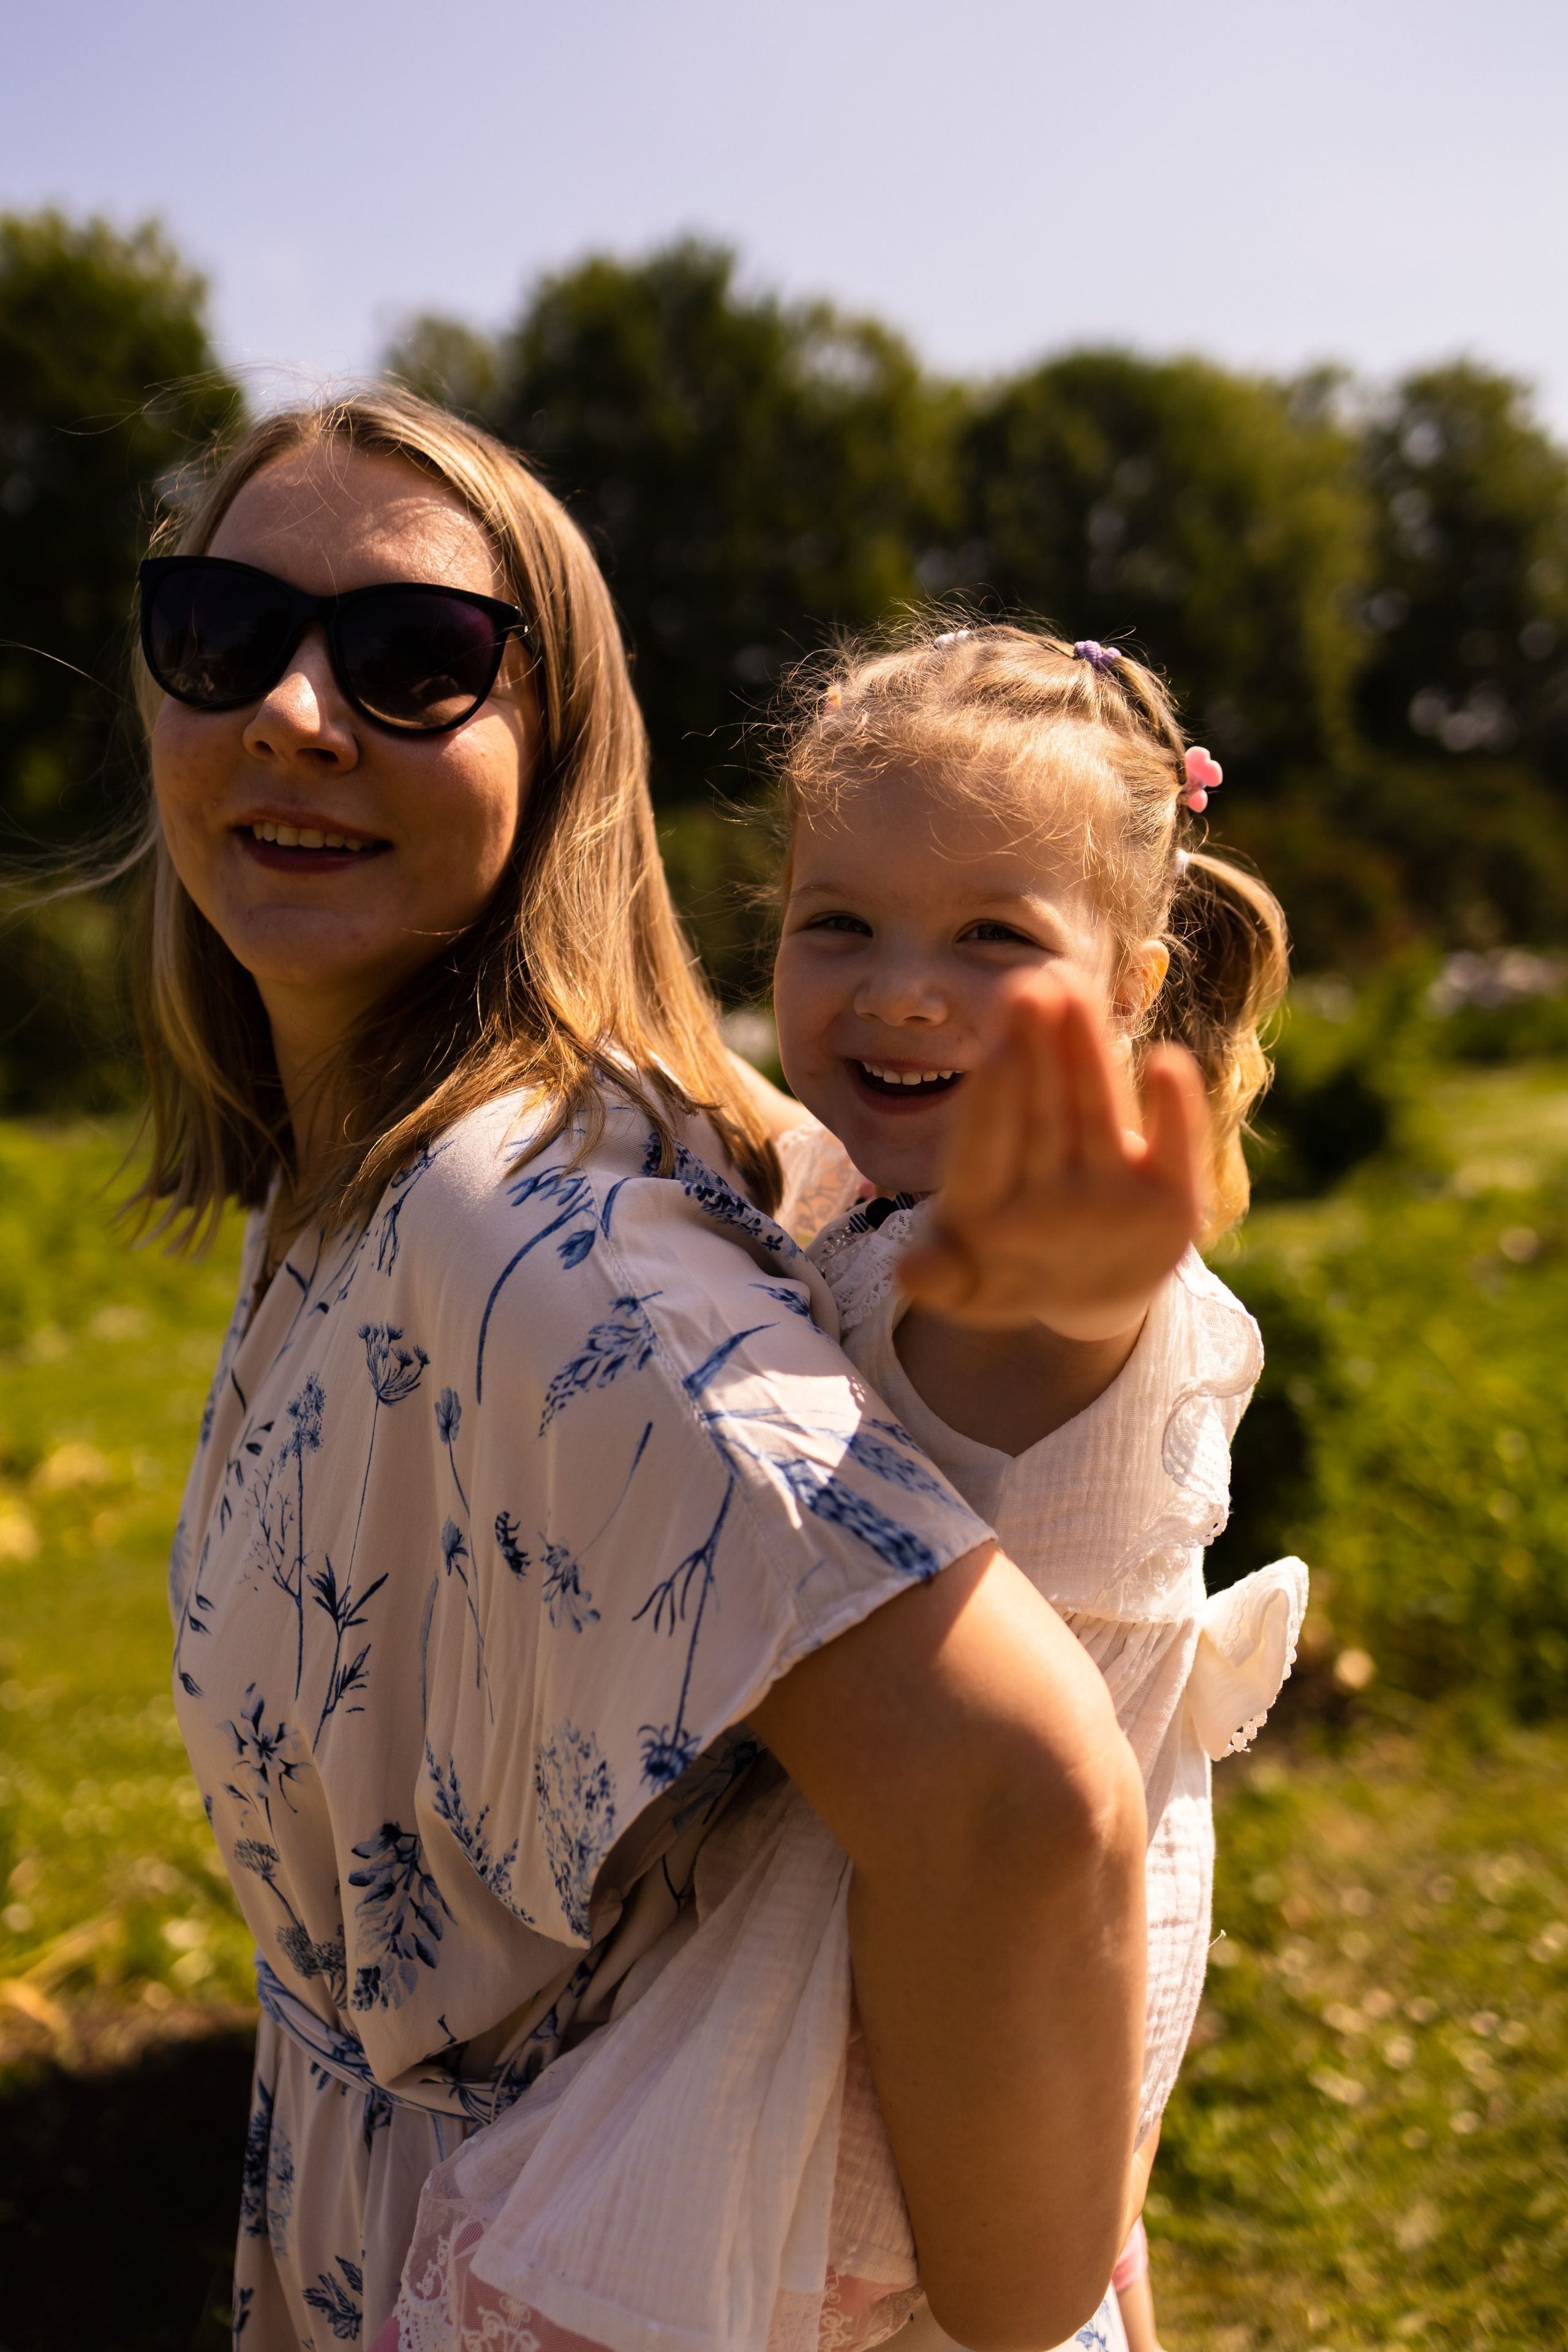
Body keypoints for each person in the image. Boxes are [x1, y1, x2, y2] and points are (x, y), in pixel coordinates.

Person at [134, 390, 1147, 2352]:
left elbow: (1020, 1803)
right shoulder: (353, 1172)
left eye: (417, 662)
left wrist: (1026, 2314)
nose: (294, 712)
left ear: (563, 748)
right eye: (222, 631)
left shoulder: (531, 1234)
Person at [390, 625, 1308, 2352]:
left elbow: (1050, 1363)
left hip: (859, 2128)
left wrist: (1077, 1278)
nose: (900, 988)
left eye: (992, 938)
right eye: (841, 926)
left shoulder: (1071, 1291)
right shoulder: (851, 1195)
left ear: (1127, 984)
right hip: (920, 2025)